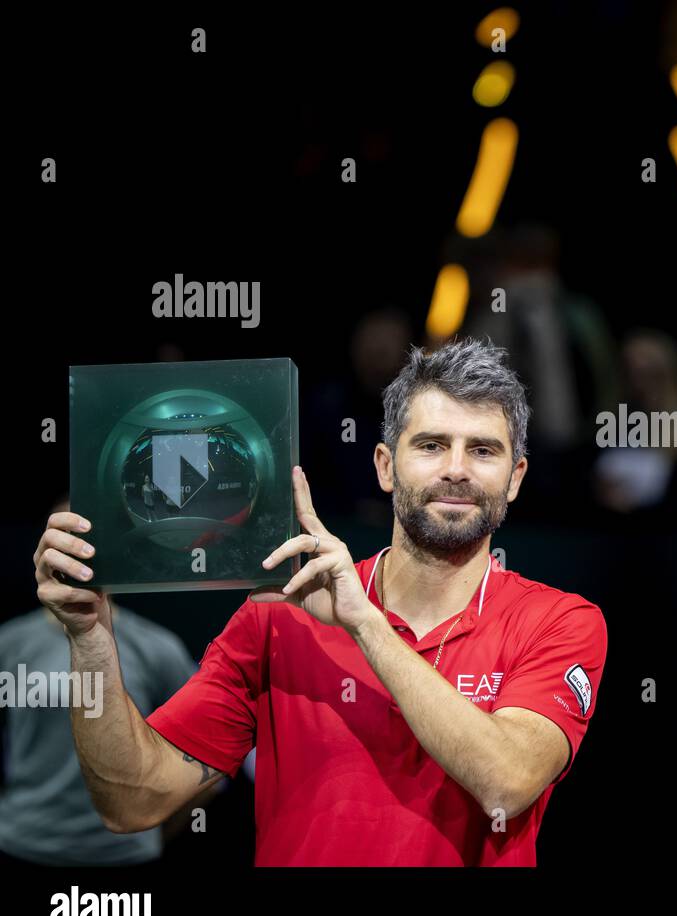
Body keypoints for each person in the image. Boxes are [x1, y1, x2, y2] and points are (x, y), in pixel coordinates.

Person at [35, 338, 607, 865]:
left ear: (515, 478)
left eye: (483, 450)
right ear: (385, 466)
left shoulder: (559, 621)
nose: (456, 469)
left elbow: (506, 780)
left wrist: (366, 626)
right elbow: (131, 804)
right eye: (431, 445)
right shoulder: (281, 617)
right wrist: (90, 641)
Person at [2, 496, 205, 867]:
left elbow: (205, 757)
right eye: (62, 536)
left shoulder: (158, 648)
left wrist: (152, 830)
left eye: (83, 537)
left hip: (123, 853)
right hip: (23, 842)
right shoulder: (9, 643)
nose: (73, 551)